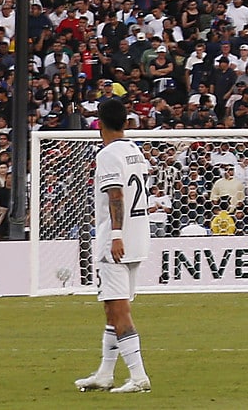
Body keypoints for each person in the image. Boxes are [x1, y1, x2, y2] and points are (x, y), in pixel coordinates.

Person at [78, 93, 152, 394]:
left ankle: (138, 377)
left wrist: (115, 235)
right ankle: (105, 374)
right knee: (112, 308)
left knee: (119, 310)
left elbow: (116, 194)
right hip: (138, 238)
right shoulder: (135, 150)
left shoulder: (107, 154)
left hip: (117, 243)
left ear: (100, 125)